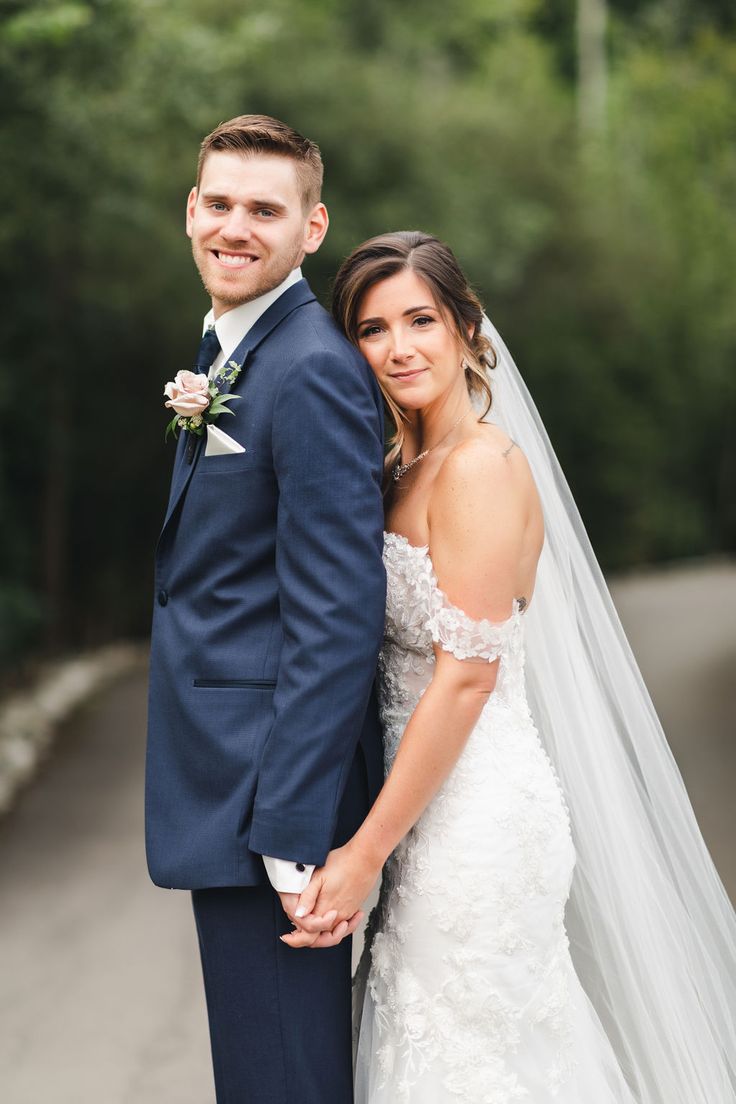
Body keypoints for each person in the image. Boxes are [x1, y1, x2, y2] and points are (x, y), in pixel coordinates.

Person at [287, 232, 736, 1102]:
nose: (399, 347)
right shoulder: (398, 468)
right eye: (373, 330)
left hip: (477, 826)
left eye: (421, 319)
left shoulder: (483, 469)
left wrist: (364, 853)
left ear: (466, 328)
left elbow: (465, 678)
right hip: (417, 813)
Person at [145, 115, 385, 1103]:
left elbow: (338, 618)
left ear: (312, 226)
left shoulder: (313, 369)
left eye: (264, 210)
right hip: (229, 790)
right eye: (219, 203)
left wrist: (290, 835)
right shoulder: (232, 349)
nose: (234, 227)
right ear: (190, 210)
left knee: (282, 1082)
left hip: (269, 815)